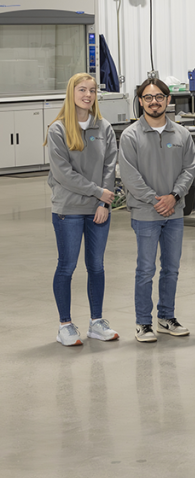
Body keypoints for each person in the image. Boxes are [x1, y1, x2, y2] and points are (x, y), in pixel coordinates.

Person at [119, 77, 195, 343]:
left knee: (172, 268)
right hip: (146, 214)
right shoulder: (131, 136)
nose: (154, 102)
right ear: (140, 101)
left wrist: (174, 197)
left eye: (159, 97)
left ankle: (166, 317)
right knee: (145, 269)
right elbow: (130, 176)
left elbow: (190, 169)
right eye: (148, 98)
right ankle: (143, 323)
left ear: (168, 100)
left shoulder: (182, 134)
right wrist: (156, 200)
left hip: (174, 212)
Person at [46, 73, 119, 346]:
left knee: (96, 267)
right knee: (67, 266)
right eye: (82, 90)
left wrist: (103, 202)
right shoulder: (58, 130)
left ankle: (96, 322)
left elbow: (110, 167)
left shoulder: (104, 128)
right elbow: (63, 173)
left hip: (98, 209)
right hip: (68, 209)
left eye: (92, 90)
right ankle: (65, 325)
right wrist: (98, 192)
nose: (88, 95)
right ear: (71, 92)